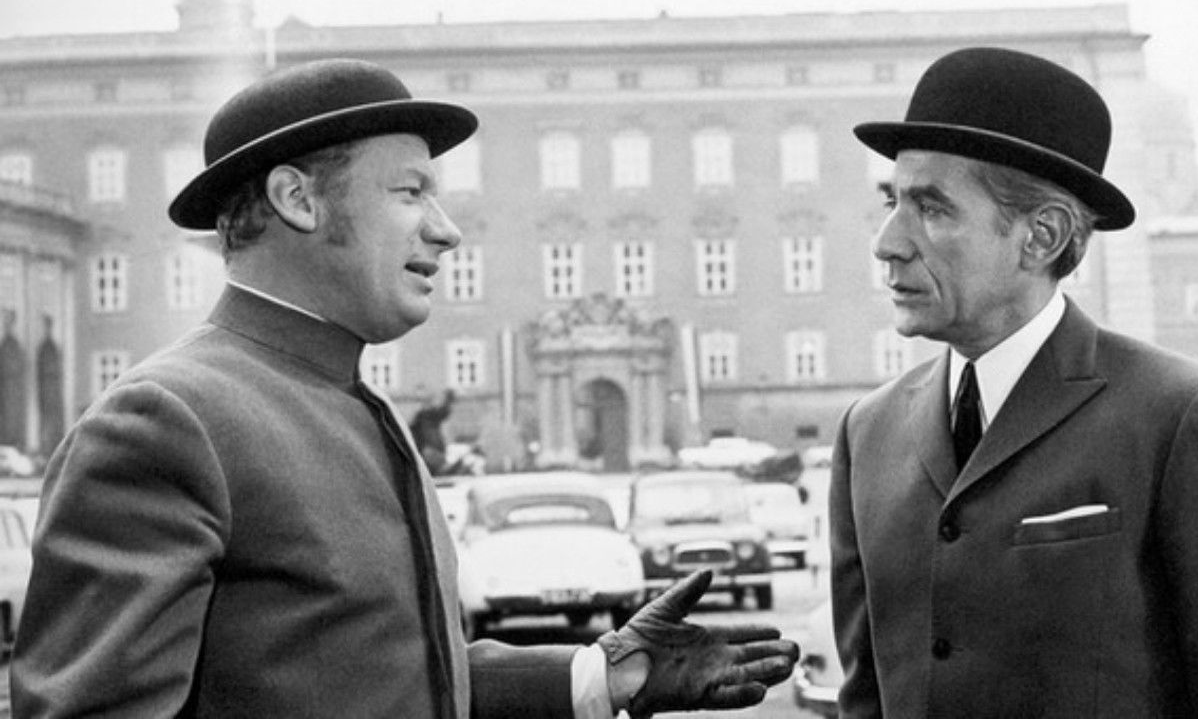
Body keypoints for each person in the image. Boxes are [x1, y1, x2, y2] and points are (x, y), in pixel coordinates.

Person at [11, 58, 798, 718]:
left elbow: (385, 673)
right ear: (297, 199)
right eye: (410, 192)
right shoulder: (165, 420)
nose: (446, 229)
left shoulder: (361, 403)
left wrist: (608, 675)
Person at [829, 46, 1198, 717]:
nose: (887, 243)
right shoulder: (868, 433)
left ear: (1041, 236)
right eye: (892, 202)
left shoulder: (1184, 417)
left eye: (931, 208)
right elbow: (866, 698)